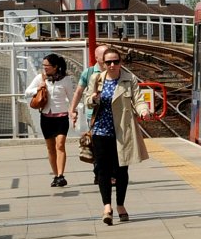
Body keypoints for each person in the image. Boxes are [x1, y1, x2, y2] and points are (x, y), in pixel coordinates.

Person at [70, 48, 148, 224]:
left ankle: (120, 204)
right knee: (103, 170)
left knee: (122, 170)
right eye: (108, 62)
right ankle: (107, 207)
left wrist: (144, 111)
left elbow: (139, 99)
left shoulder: (129, 79)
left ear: (121, 62)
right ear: (103, 64)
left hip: (123, 132)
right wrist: (94, 99)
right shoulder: (96, 78)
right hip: (100, 131)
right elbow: (88, 101)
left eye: (116, 61)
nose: (112, 65)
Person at [27, 52, 73, 186]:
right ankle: (55, 175)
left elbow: (71, 97)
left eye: (47, 66)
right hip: (46, 117)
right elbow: (27, 92)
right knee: (50, 148)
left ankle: (61, 175)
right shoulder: (40, 78)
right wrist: (38, 88)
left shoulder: (66, 79)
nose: (45, 68)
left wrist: (74, 112)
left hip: (61, 116)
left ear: (56, 66)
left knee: (60, 145)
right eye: (43, 65)